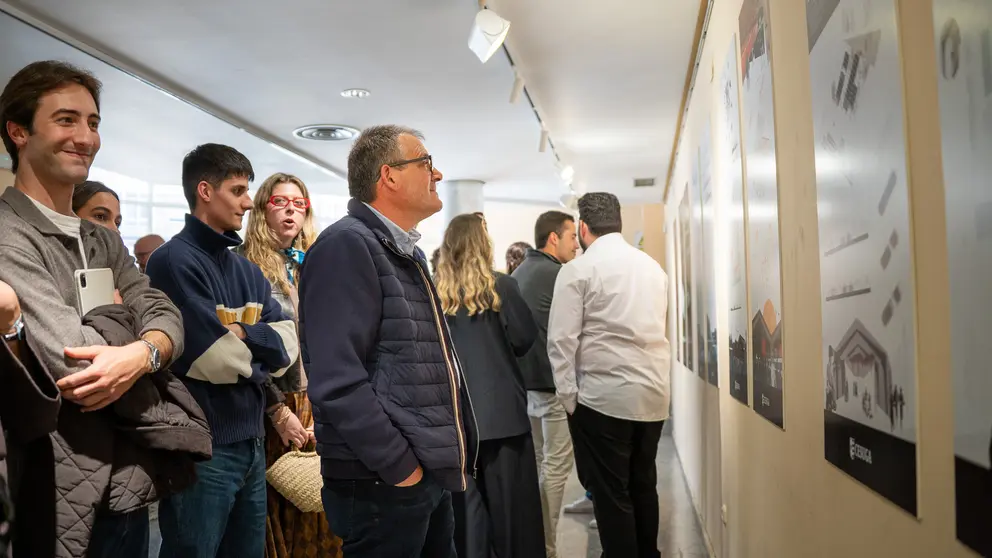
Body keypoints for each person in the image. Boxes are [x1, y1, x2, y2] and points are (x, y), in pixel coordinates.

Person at [0, 60, 204, 558]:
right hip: (61, 483)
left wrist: (142, 355)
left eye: (93, 123)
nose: (86, 137)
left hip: (130, 477)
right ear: (18, 131)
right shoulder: (7, 232)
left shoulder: (101, 239)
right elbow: (76, 362)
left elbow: (166, 313)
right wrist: (127, 324)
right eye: (66, 120)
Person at [300, 124, 478, 558]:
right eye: (426, 164)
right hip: (384, 479)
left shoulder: (401, 251)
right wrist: (402, 468)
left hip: (416, 473)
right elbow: (336, 380)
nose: (436, 175)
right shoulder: (346, 245)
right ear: (389, 177)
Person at [146, 144, 299, 558]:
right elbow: (214, 358)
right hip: (202, 448)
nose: (249, 203)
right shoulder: (171, 262)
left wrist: (245, 335)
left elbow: (290, 346)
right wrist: (261, 342)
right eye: (238, 190)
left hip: (250, 443)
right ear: (205, 191)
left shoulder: (246, 269)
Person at [548, 192, 670, 558]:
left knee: (612, 494)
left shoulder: (577, 270)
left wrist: (571, 403)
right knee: (643, 484)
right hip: (653, 397)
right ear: (619, 223)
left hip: (603, 400)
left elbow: (561, 343)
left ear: (583, 227)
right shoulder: (652, 268)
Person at [238, 172, 342, 558]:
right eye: (280, 202)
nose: (290, 211)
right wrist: (277, 409)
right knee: (280, 509)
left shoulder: (313, 264)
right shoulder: (245, 266)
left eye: (298, 204)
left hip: (317, 399)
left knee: (319, 507)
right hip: (270, 402)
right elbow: (244, 348)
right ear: (263, 207)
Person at [435, 214, 544, 558]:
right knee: (514, 518)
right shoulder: (501, 287)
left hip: (456, 423)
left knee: (467, 519)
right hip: (505, 421)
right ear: (483, 245)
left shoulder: (435, 296)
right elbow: (525, 339)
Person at [510, 210, 580, 557]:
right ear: (553, 238)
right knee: (556, 468)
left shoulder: (519, 272)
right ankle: (547, 547)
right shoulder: (559, 275)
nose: (576, 245)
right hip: (553, 389)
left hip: (525, 389)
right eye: (571, 237)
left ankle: (536, 543)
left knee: (539, 464)